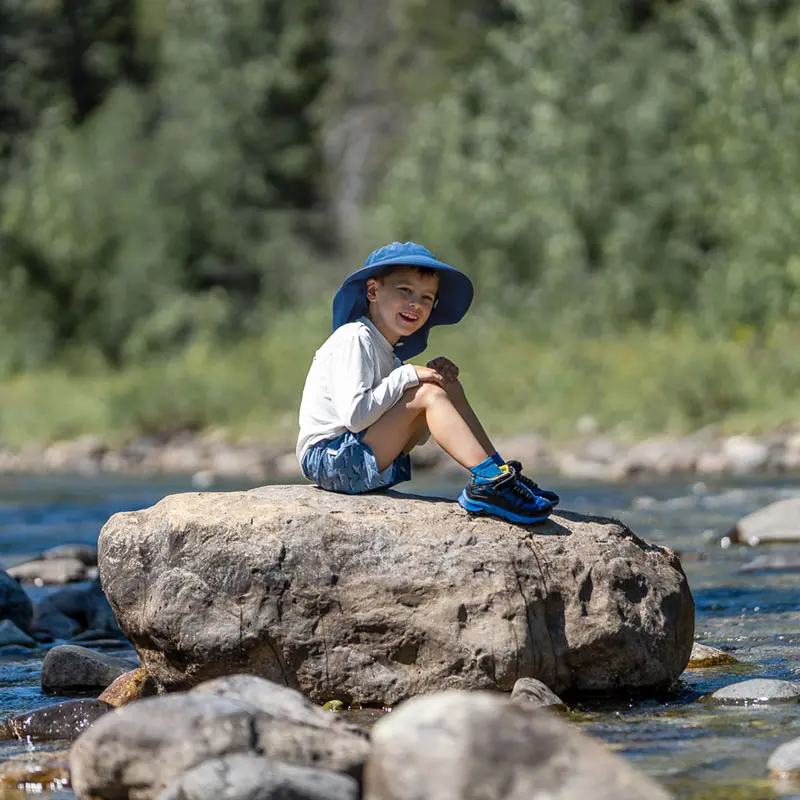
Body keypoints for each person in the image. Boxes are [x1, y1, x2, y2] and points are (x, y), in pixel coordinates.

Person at [296, 241, 559, 524]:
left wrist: (433, 384)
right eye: (405, 291)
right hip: (330, 460)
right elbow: (357, 417)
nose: (415, 304)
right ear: (373, 291)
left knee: (444, 385)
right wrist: (408, 377)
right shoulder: (355, 338)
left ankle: (498, 472)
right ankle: (488, 481)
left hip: (358, 455)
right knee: (427, 392)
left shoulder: (388, 353)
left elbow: (415, 428)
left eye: (426, 298)